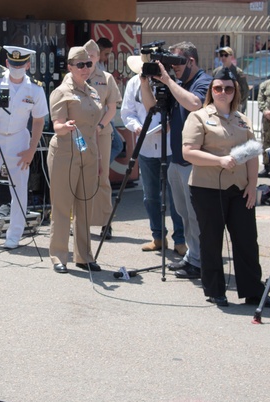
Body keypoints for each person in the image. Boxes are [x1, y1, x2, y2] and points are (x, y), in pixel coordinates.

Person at [182, 66, 270, 308]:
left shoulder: (242, 119)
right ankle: (215, 290)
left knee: (247, 240)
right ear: (211, 91)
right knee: (211, 240)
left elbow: (253, 154)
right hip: (208, 188)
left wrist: (253, 185)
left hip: (240, 188)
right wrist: (219, 160)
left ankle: (253, 291)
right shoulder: (199, 117)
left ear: (235, 92)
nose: (223, 92)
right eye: (218, 88)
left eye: (228, 88)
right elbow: (188, 153)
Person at [140, 42, 211, 275]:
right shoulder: (177, 83)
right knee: (183, 213)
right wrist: (145, 81)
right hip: (176, 160)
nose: (173, 68)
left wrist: (169, 82)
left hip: (195, 163)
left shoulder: (203, 81)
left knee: (196, 215)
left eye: (177, 63)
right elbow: (152, 108)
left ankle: (200, 262)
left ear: (190, 60)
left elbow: (195, 104)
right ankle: (193, 256)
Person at [0, 46, 48, 250]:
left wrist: (31, 150)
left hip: (19, 139)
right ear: (7, 63)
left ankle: (14, 236)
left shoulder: (35, 88)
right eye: (13, 64)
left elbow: (38, 120)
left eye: (21, 64)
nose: (17, 67)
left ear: (28, 64)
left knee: (19, 188)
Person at [47, 45, 104, 274]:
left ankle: (84, 256)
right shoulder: (62, 92)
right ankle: (59, 256)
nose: (85, 68)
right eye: (80, 65)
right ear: (70, 67)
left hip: (88, 154)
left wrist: (98, 156)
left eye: (88, 64)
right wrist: (65, 127)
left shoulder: (92, 91)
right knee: (62, 206)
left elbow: (93, 128)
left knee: (86, 206)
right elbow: (57, 125)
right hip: (65, 153)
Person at [121, 57, 186, 255]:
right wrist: (137, 126)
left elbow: (181, 109)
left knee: (175, 196)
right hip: (146, 147)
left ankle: (180, 239)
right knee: (150, 195)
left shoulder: (170, 81)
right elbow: (127, 112)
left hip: (170, 147)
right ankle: (158, 236)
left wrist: (170, 124)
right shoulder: (134, 83)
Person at [83, 39, 121, 235]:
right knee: (80, 177)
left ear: (98, 57)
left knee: (102, 177)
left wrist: (100, 126)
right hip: (79, 136)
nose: (89, 59)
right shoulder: (73, 77)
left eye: (92, 55)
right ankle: (81, 222)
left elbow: (112, 108)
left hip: (101, 133)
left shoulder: (106, 78)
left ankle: (106, 222)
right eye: (86, 55)